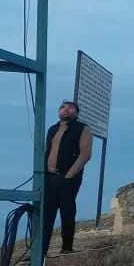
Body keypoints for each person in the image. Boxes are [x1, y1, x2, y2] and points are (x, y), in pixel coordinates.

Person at [42, 100, 92, 255]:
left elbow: (85, 154)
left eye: (70, 108)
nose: (66, 110)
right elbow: (46, 150)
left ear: (76, 112)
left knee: (67, 211)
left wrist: (69, 175)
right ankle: (41, 250)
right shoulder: (52, 129)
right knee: (46, 213)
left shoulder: (82, 129)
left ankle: (67, 247)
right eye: (63, 107)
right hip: (48, 177)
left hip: (68, 177)